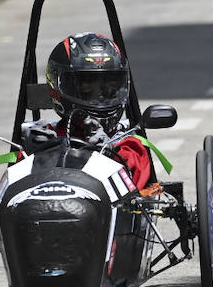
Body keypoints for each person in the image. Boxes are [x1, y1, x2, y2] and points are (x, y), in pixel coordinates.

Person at [28, 33, 153, 188]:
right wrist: (34, 155)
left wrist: (110, 155)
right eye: (85, 87)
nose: (99, 98)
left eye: (109, 88)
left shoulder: (129, 145)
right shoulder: (42, 137)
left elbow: (136, 184)